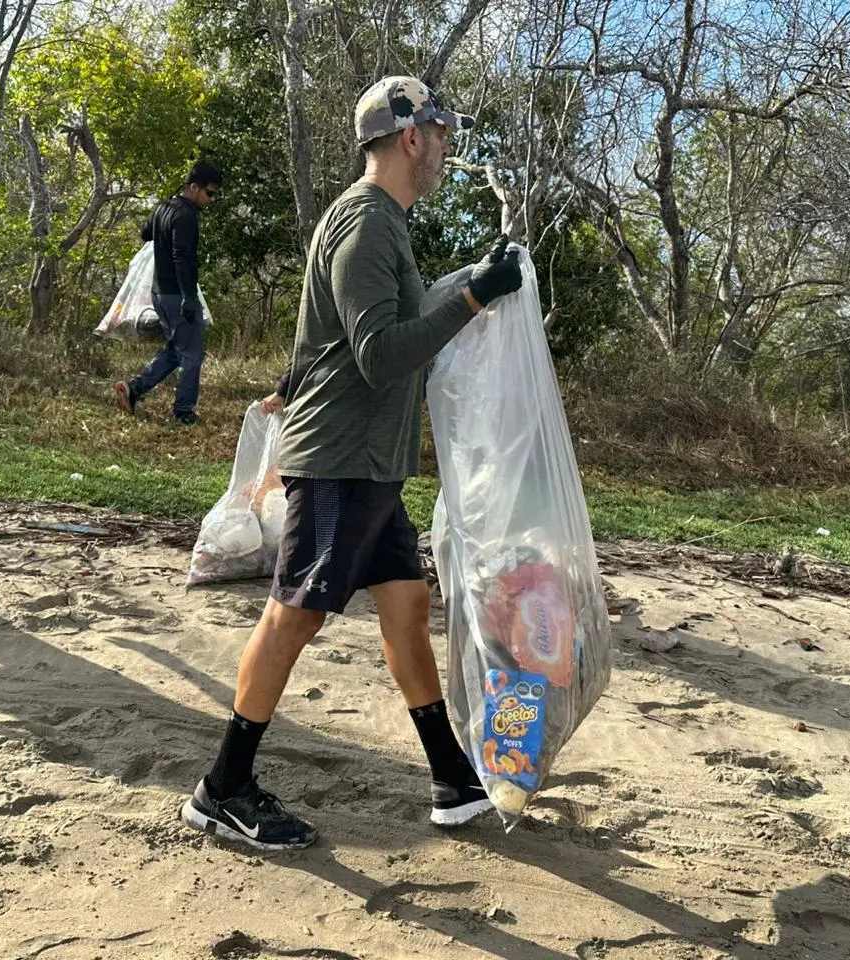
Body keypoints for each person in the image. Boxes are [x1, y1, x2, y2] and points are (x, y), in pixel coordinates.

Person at [181, 76, 523, 851]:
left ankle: (452, 780)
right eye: (440, 136)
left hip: (369, 465)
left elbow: (342, 331)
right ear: (411, 138)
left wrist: (471, 285)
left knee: (405, 604)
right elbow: (379, 353)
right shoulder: (367, 222)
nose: (445, 151)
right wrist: (473, 300)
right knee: (295, 614)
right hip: (340, 460)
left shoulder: (383, 222)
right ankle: (222, 788)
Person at [113, 160, 222, 426]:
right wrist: (189, 297)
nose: (211, 199)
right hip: (177, 295)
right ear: (193, 188)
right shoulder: (186, 216)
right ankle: (183, 413)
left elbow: (145, 233)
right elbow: (181, 257)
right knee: (193, 354)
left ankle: (134, 389)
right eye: (209, 193)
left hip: (159, 293)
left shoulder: (164, 208)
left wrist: (162, 226)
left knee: (176, 350)